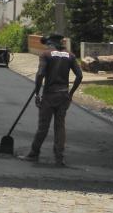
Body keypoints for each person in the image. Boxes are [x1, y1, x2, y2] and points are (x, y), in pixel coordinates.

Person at [19, 33, 83, 167]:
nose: (47, 46)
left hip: (49, 96)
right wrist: (70, 94)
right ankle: (59, 158)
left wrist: (37, 92)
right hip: (63, 96)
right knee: (60, 127)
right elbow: (79, 76)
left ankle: (34, 154)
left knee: (43, 126)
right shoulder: (70, 56)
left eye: (47, 44)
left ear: (50, 43)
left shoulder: (46, 55)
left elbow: (41, 73)